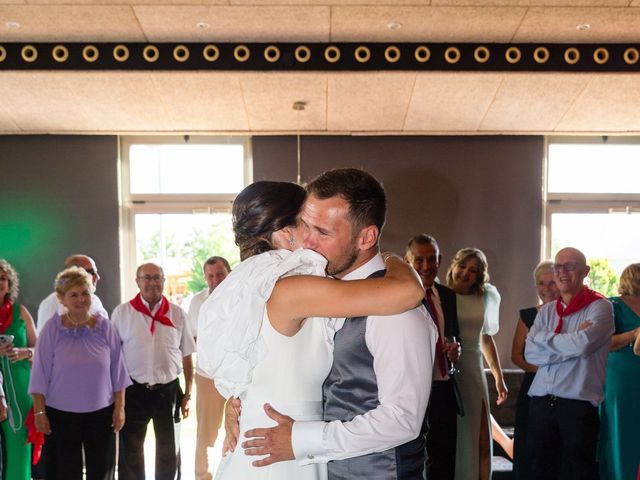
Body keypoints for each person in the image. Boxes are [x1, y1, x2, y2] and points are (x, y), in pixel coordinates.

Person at [231, 169, 435, 479]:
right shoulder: (313, 291)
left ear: (366, 237)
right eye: (306, 226)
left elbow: (402, 420)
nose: (308, 243)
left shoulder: (398, 310)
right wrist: (239, 402)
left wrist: (302, 439)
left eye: (323, 232)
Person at [28, 267, 130, 480]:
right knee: (65, 471)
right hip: (60, 414)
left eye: (85, 293)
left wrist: (119, 408)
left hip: (101, 413)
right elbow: (39, 373)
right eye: (73, 294)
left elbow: (118, 371)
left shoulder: (105, 327)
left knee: (101, 470)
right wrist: (39, 412)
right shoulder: (51, 329)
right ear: (62, 299)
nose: (81, 299)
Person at [525, 247, 614, 480]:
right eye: (558, 266)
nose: (562, 271)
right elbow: (530, 354)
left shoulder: (600, 307)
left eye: (570, 266)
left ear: (585, 271)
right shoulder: (546, 312)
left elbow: (584, 345)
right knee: (540, 471)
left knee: (580, 471)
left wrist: (544, 340)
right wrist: (570, 345)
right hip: (541, 403)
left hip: (577, 406)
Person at [112, 262, 195, 480]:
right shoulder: (122, 313)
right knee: (131, 449)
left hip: (167, 391)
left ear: (163, 281)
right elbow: (114, 359)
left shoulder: (177, 314)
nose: (152, 283)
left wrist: (187, 394)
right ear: (137, 282)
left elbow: (187, 356)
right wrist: (117, 399)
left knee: (169, 449)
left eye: (157, 277)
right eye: (146, 278)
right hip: (133, 390)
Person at [445, 247, 507, 480]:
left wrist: (499, 377)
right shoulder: (441, 293)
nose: (466, 273)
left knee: (479, 433)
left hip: (474, 369)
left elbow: (486, 338)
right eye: (463, 266)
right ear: (454, 266)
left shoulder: (486, 296)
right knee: (455, 434)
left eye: (474, 271)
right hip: (447, 368)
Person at [404, 234, 462, 480]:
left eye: (431, 259)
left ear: (440, 260)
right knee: (411, 460)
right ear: (408, 261)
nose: (426, 266)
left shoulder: (448, 296)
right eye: (419, 260)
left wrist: (455, 351)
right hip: (411, 390)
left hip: (444, 388)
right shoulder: (400, 296)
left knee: (444, 460)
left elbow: (453, 336)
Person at [510, 260, 558, 480]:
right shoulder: (527, 315)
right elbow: (516, 355)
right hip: (533, 388)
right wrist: (542, 371)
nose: (546, 289)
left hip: (564, 390)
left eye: (552, 283)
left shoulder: (571, 315)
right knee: (529, 447)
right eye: (541, 283)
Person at [190, 256, 231, 480]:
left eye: (220, 274)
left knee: (238, 430)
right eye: (211, 276)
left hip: (237, 376)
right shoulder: (197, 302)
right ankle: (202, 477)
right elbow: (194, 337)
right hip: (207, 377)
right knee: (206, 435)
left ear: (229, 272)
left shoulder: (240, 297)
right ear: (205, 278)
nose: (215, 279)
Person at [598, 263, 640, 480]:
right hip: (622, 377)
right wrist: (634, 334)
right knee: (622, 430)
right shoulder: (612, 305)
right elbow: (604, 342)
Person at [0, 259, 35, 480]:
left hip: (20, 390)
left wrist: (25, 352)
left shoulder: (21, 312)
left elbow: (42, 349)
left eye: (3, 278)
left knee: (18, 450)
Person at [37, 254, 107, 333]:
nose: (97, 277)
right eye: (92, 272)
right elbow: (45, 340)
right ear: (74, 273)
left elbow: (106, 334)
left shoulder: (96, 301)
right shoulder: (51, 303)